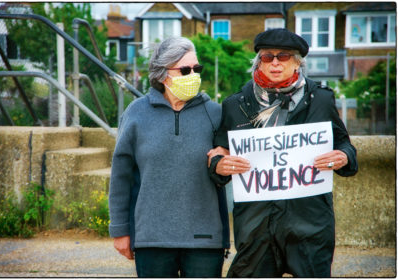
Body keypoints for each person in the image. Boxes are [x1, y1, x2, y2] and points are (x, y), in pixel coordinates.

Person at [208, 28, 358, 277]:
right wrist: (218, 164)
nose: (275, 63)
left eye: (284, 56)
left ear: (298, 62)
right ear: (259, 61)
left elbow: (345, 146)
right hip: (257, 227)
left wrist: (343, 157)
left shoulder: (320, 99)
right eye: (267, 57)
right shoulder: (235, 104)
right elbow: (220, 150)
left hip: (309, 225)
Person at [108, 36, 230, 278]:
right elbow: (121, 175)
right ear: (163, 74)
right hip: (151, 239)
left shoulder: (216, 114)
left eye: (197, 69)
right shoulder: (136, 113)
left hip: (204, 241)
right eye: (185, 70)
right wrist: (120, 230)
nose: (193, 75)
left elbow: (228, 174)